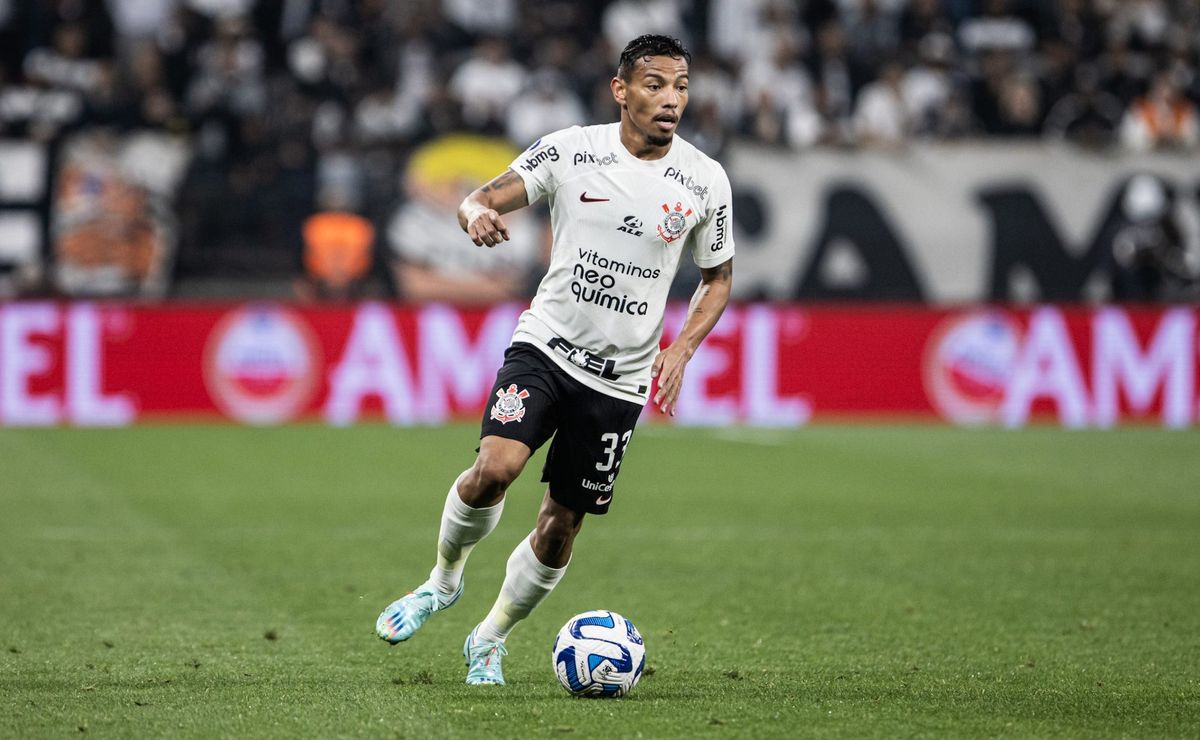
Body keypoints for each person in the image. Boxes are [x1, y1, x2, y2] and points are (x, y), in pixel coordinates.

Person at [374, 34, 734, 686]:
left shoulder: (705, 179)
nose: (671, 99)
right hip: (545, 347)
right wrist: (475, 213)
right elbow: (480, 196)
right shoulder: (573, 150)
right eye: (655, 84)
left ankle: (491, 636)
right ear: (621, 90)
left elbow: (717, 277)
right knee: (495, 467)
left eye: (681, 86)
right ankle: (441, 582)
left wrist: (682, 347)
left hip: (620, 381)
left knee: (561, 526)